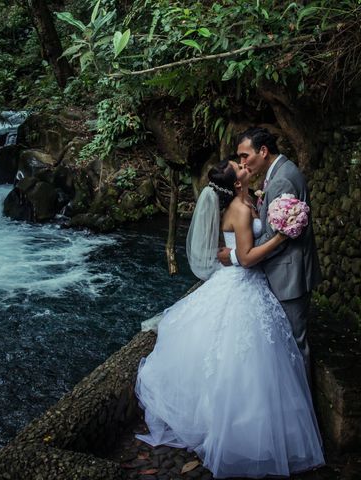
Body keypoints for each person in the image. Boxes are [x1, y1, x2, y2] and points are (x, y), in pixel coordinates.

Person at [134, 159, 325, 478]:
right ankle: (236, 435)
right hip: (242, 283)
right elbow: (248, 259)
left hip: (251, 286)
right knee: (242, 364)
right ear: (237, 183)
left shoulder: (250, 200)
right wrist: (281, 236)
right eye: (240, 166)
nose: (245, 163)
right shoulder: (237, 208)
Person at [218, 128, 322, 383]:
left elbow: (280, 237)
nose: (243, 162)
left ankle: (303, 409)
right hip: (281, 273)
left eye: (245, 155)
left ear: (263, 151)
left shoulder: (282, 180)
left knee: (294, 346)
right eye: (239, 158)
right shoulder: (278, 173)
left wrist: (237, 256)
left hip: (290, 275)